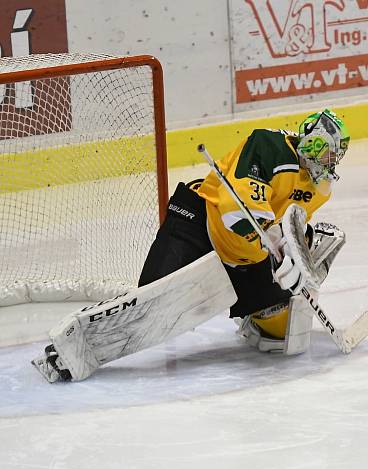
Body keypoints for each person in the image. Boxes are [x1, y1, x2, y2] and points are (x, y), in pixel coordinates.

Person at [138, 108, 350, 354]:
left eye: (335, 157)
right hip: (202, 224)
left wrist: (295, 254)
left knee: (284, 332)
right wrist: (273, 236)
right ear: (313, 143)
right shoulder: (270, 146)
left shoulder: (319, 189)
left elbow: (292, 224)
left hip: (249, 256)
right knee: (150, 307)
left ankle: (252, 310)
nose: (330, 163)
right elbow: (235, 209)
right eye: (327, 154)